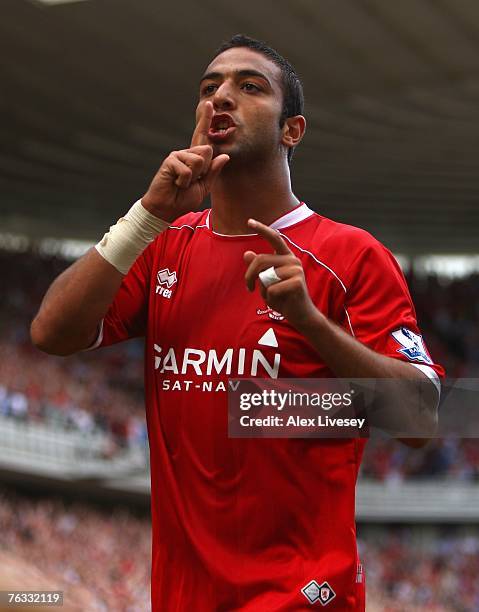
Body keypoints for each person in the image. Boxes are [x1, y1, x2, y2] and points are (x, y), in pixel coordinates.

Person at [31, 35, 444, 611]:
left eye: (249, 87)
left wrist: (311, 323)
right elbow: (51, 333)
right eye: (209, 89)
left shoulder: (349, 254)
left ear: (291, 130)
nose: (220, 97)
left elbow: (423, 418)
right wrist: (146, 216)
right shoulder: (162, 244)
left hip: (303, 598)